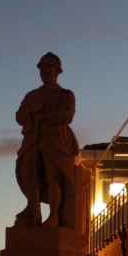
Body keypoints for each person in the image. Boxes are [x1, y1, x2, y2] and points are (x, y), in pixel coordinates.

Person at [14, 52, 80, 228]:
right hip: (32, 141)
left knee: (54, 178)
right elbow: (19, 116)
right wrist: (29, 114)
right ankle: (32, 207)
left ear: (56, 71)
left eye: (48, 69)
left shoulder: (66, 95)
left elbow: (68, 115)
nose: (44, 72)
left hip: (55, 140)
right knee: (26, 172)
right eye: (41, 69)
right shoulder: (32, 95)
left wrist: (44, 117)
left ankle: (54, 216)